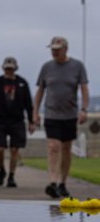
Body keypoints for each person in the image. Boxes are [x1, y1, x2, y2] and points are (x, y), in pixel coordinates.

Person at [33, 36, 90, 198]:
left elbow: (84, 89)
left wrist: (84, 109)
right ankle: (52, 182)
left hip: (70, 114)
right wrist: (35, 112)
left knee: (66, 149)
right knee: (53, 146)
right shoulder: (46, 67)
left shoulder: (77, 66)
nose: (54, 52)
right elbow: (40, 91)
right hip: (51, 113)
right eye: (52, 49)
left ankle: (62, 183)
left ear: (65, 49)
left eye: (57, 49)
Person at [0, 56, 35, 188]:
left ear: (15, 69)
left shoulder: (22, 83)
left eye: (11, 69)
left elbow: (28, 104)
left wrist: (31, 121)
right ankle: (2, 170)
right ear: (3, 68)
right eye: (7, 69)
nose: (9, 71)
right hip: (0, 120)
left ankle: (11, 176)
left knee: (14, 149)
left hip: (17, 121)